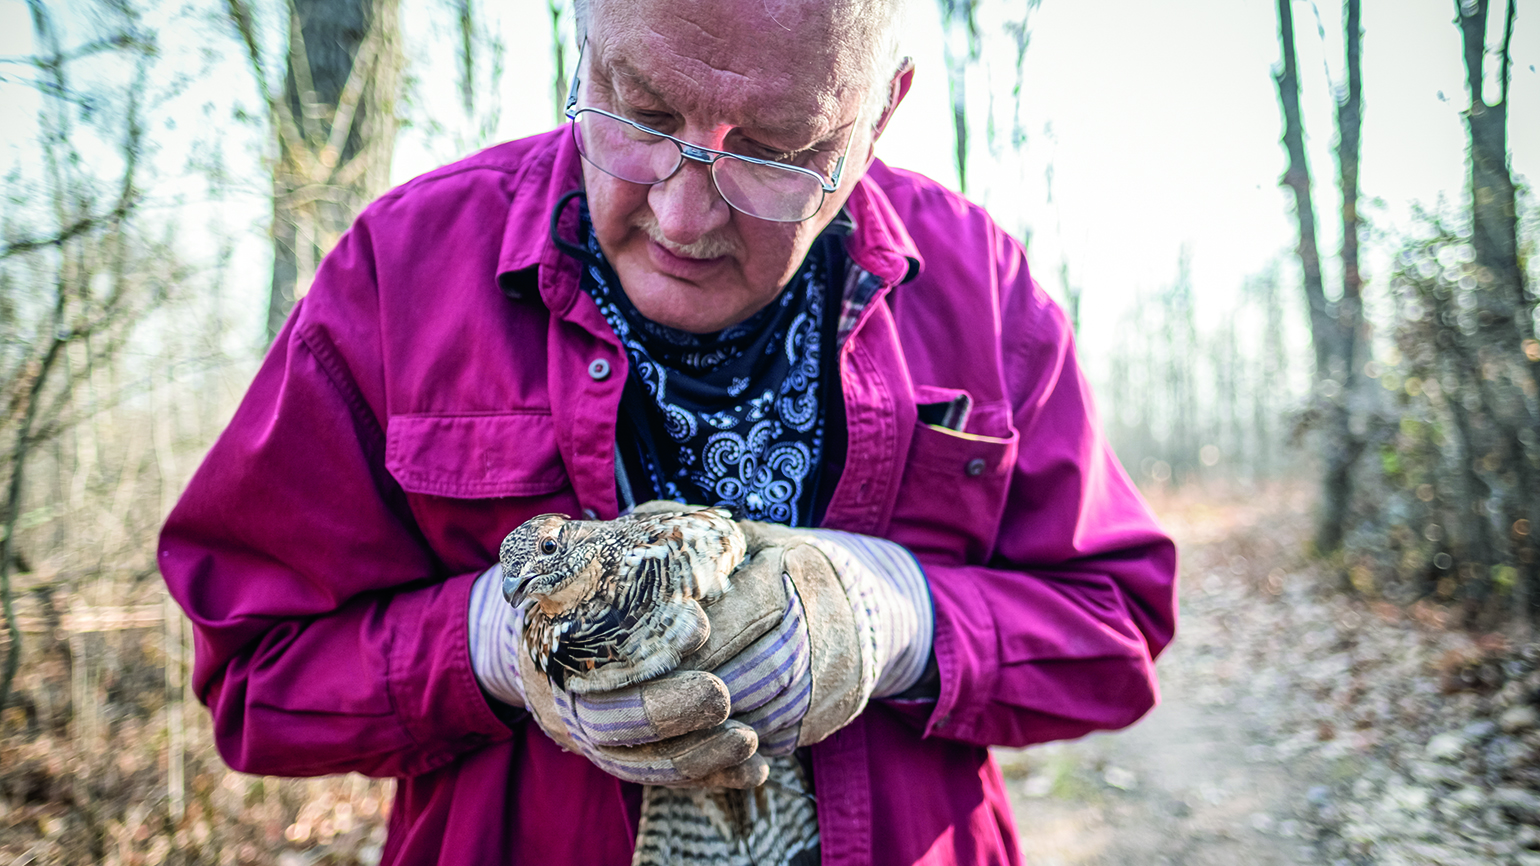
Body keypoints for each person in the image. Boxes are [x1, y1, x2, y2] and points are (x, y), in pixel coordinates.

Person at [159, 0, 1177, 863]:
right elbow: (258, 672)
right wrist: (493, 646)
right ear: (582, 46)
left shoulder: (979, 286)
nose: (685, 216)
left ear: (877, 118)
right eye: (642, 115)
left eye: (776, 152)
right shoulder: (403, 271)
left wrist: (900, 620)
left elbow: (1114, 628)